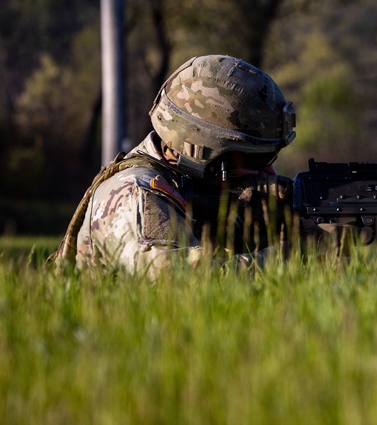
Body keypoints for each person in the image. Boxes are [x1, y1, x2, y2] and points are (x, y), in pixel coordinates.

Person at [53, 54, 297, 276]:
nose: (270, 172)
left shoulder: (189, 185)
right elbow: (177, 280)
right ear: (205, 151)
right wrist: (297, 255)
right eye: (258, 159)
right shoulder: (135, 192)